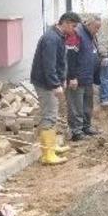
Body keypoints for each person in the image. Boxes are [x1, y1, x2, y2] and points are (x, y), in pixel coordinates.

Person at [30, 11, 82, 165]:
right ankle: (48, 154)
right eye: (73, 26)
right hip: (45, 84)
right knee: (49, 115)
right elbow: (49, 65)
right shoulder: (51, 39)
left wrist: (62, 80)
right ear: (65, 22)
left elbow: (60, 62)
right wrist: (55, 84)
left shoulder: (58, 37)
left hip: (51, 82)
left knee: (52, 114)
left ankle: (52, 146)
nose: (74, 30)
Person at [66, 14, 102, 141]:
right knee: (76, 105)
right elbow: (70, 57)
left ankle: (86, 126)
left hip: (88, 76)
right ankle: (76, 131)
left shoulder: (91, 36)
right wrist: (72, 77)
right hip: (78, 77)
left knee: (87, 105)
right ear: (89, 24)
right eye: (96, 28)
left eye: (99, 28)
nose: (98, 30)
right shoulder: (77, 34)